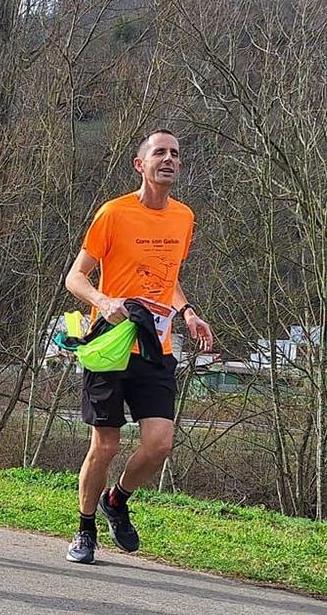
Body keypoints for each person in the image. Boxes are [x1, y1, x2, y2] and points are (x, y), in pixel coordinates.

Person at [62, 128, 214, 565]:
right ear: (140, 164)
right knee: (105, 446)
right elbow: (75, 277)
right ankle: (85, 527)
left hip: (155, 346)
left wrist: (187, 312)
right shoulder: (114, 214)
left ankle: (117, 499)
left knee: (160, 443)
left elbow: (167, 279)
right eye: (160, 153)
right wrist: (103, 301)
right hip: (110, 345)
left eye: (175, 154)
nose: (169, 159)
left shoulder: (183, 217)